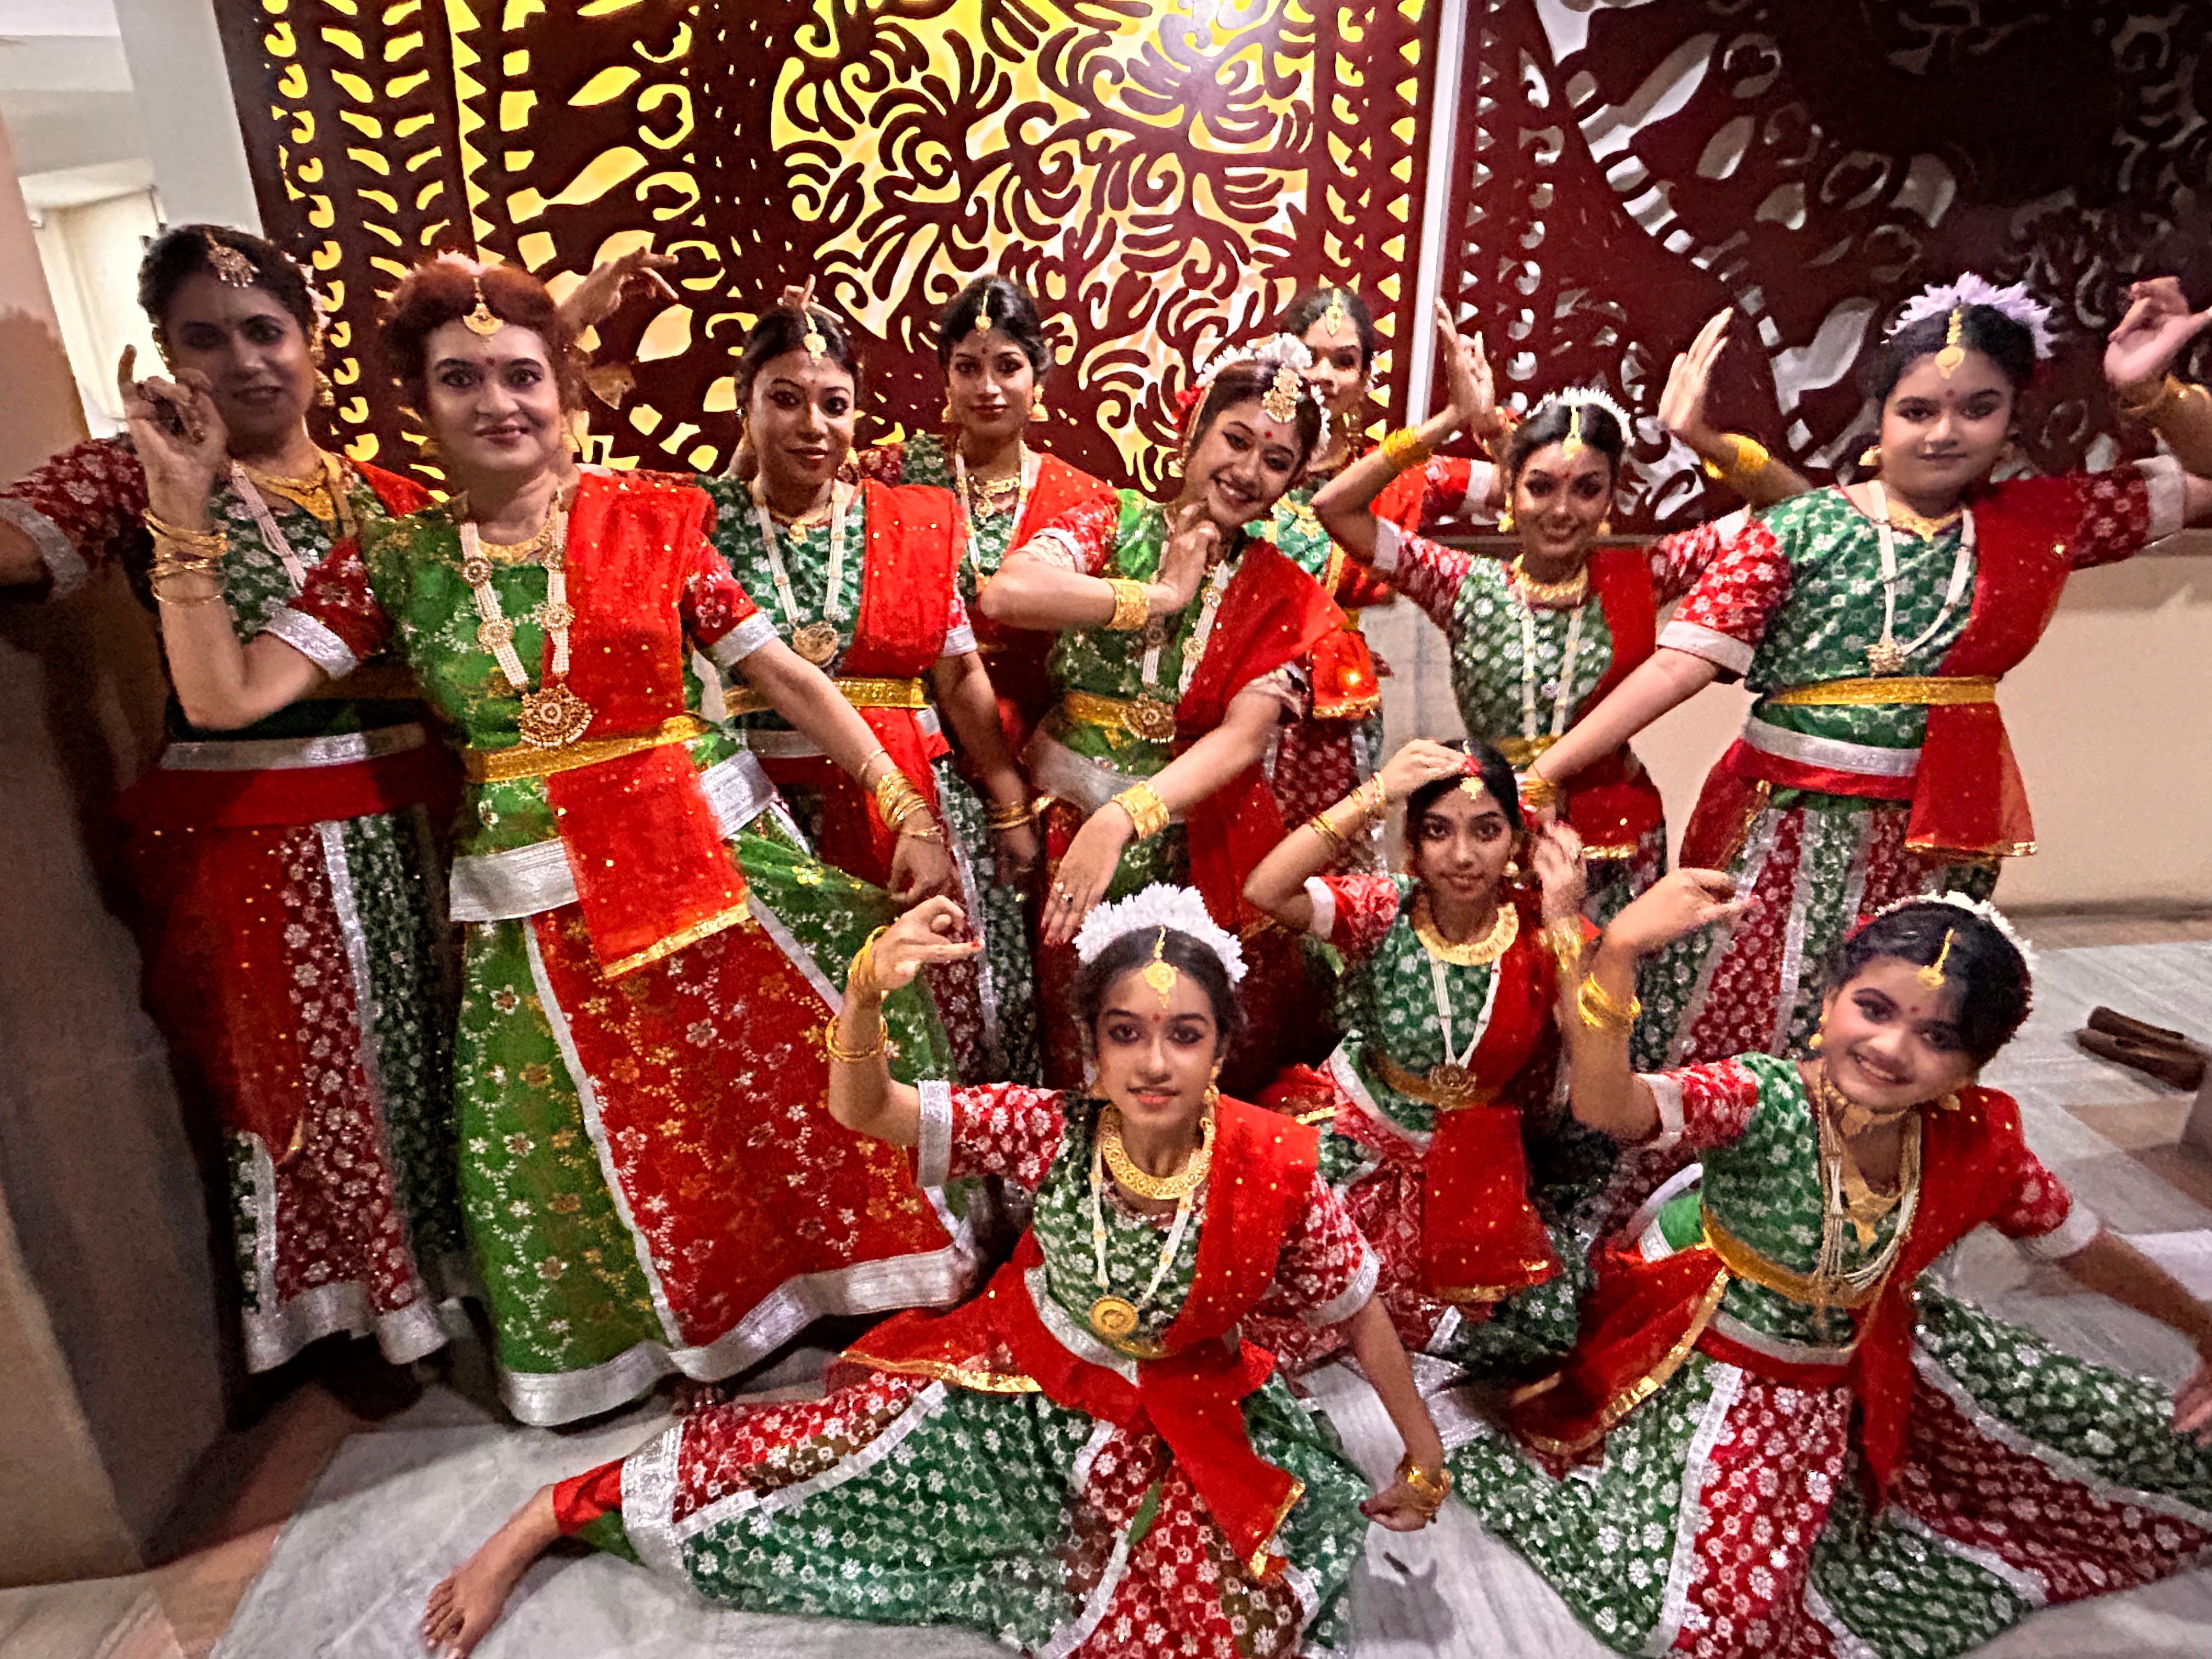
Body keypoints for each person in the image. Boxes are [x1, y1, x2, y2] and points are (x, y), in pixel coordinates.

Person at [138, 252, 977, 1424]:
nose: (498, 402)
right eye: (461, 378)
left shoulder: (651, 517)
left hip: (713, 862)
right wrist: (181, 511)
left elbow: (785, 674)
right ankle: (679, 1329)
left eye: (523, 375)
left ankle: (838, 1292)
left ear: (563, 390)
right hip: (538, 904)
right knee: (579, 1135)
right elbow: (225, 696)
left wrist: (902, 805)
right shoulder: (396, 557)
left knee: (788, 1076)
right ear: (419, 403)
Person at [422, 884, 1451, 1659]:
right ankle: (548, 1513)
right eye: (1124, 1033)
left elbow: (1359, 1311)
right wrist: (865, 993)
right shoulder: (1051, 1127)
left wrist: (1421, 1454)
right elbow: (868, 1110)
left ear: (1222, 1050)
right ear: (1091, 1051)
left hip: (1181, 1418)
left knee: (1237, 1620)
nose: (1152, 1063)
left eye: (1184, 1035)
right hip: (1018, 1389)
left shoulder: (1273, 1167)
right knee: (798, 1480)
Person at [1450, 874, 2212, 1657]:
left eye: (1938, 1038)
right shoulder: (1764, 1100)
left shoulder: (1967, 1141)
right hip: (1732, 1379)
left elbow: (2075, 1242)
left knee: (2157, 1457)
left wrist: (2201, 1326)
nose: (1891, 1049)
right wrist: (1618, 951)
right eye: (1874, 1010)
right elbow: (1609, 1107)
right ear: (1830, 998)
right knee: (1722, 1627)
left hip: (1883, 1349)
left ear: (1974, 1065)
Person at [1520, 275, 2212, 1068]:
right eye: (1918, 411)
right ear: (1880, 418)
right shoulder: (1801, 528)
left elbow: (2202, 485)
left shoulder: (2039, 522)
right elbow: (1680, 665)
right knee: (1736, 1000)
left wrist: (2151, 393)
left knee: (1901, 1014)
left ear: (2012, 421)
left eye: (1978, 408)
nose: (1945, 432)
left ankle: (1864, 1147)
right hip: (1782, 826)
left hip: (1934, 832)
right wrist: (1544, 774)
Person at [0, 224, 461, 1376]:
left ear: (313, 342)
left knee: (434, 1056)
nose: (246, 361)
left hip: (414, 821)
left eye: (266, 331)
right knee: (303, 1078)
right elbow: (18, 549)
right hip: (256, 841)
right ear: (168, 358)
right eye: (206, 339)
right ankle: (353, 1324)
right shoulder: (140, 474)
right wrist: (173, 488)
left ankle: (451, 1287)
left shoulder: (392, 500)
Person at [1313, 307, 1809, 926]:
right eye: (1541, 486)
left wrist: (1703, 438)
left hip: (1617, 841)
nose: (1562, 511)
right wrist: (1449, 422)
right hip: (1490, 839)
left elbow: (1802, 512)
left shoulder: (1643, 574)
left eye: (1587, 489)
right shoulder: (1460, 583)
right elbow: (1335, 509)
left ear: (1610, 497)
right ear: (1510, 490)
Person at [980, 333, 1347, 1092]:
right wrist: (1158, 597)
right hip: (1055, 827)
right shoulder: (1110, 522)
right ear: (1192, 434)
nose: (1248, 470)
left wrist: (1123, 818)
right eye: (1235, 440)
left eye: (1276, 460)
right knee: (1069, 1035)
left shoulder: (1279, 588)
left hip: (1183, 844)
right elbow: (1008, 594)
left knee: (1170, 1044)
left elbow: (1243, 739)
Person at [699, 286, 1034, 1081]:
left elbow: (959, 673)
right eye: (785, 400)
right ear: (746, 407)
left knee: (941, 1022)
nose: (812, 426)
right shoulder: (704, 521)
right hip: (768, 819)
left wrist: (1008, 800)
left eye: (834, 404)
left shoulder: (913, 519)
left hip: (915, 814)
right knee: (796, 1029)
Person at [1240, 738, 1604, 1378]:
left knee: (1547, 1335)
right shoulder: (1387, 911)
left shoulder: (1540, 927)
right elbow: (1266, 889)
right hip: (1359, 1143)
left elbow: (1593, 1062)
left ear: (1517, 841)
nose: (1462, 856)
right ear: (1413, 840)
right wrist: (1374, 794)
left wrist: (1564, 916)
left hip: (1473, 1170)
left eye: (1486, 831)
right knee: (1280, 1273)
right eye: (1438, 832)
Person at [851, 273, 1120, 1078]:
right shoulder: (892, 475)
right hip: (916, 746)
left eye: (1007, 365)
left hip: (1042, 762)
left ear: (1039, 377)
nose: (988, 387)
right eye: (967, 367)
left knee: (1032, 963)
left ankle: (1017, 1118)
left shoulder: (1083, 498)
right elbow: (780, 494)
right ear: (944, 377)